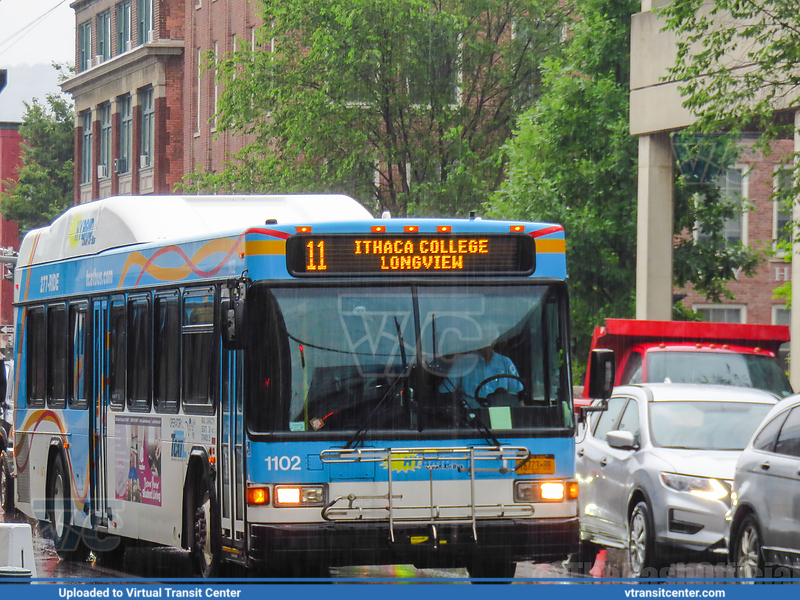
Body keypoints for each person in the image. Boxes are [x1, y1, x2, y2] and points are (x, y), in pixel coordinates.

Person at [439, 325, 523, 408]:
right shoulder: (462, 363)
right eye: (484, 339)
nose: (487, 343)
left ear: (495, 341)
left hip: (500, 415)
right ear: (477, 340)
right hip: (471, 416)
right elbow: (446, 393)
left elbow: (518, 397)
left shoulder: (506, 363)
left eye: (490, 339)